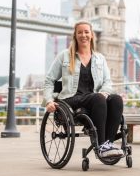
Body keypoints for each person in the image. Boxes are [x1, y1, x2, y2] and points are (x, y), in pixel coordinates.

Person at [43, 21, 123, 158]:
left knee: (116, 99)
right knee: (97, 97)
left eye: (86, 32)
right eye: (79, 32)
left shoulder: (100, 58)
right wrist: (48, 101)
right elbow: (49, 80)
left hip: (94, 100)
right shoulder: (65, 56)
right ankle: (102, 145)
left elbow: (108, 82)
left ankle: (107, 144)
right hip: (71, 100)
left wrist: (104, 92)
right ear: (75, 35)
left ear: (92, 35)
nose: (83, 35)